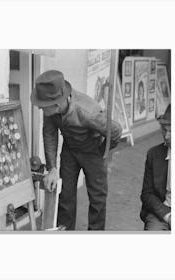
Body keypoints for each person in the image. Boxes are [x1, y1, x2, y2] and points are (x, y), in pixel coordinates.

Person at [30, 70, 122, 230]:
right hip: (70, 150)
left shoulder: (88, 112)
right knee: (65, 196)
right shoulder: (51, 108)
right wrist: (52, 168)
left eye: (43, 107)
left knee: (97, 199)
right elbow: (49, 134)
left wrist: (102, 152)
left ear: (57, 104)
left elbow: (115, 131)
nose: (40, 108)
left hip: (94, 151)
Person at [140, 104, 171, 230]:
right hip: (162, 211)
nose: (167, 136)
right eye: (164, 129)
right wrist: (168, 216)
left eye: (173, 130)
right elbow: (147, 194)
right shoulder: (154, 154)